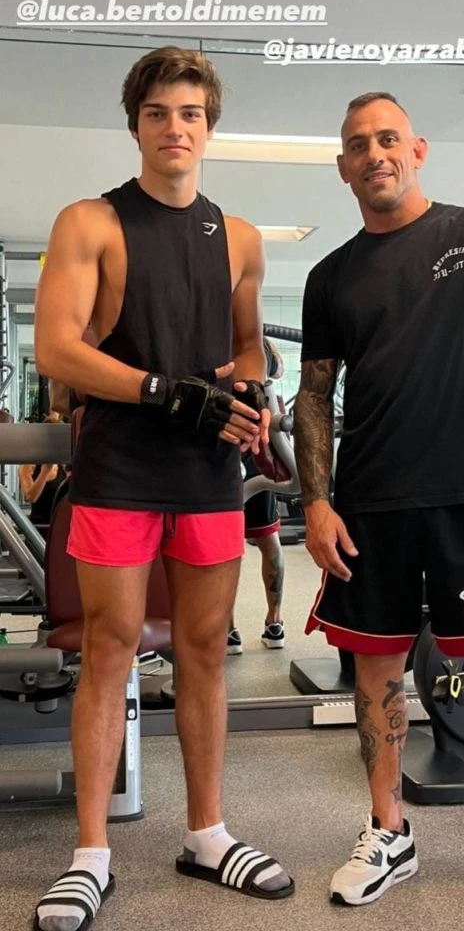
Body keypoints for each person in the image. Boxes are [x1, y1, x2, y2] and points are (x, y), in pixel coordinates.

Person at [293, 89, 464, 924]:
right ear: (343, 167)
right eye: (358, 144)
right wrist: (316, 501)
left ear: (417, 150)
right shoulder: (329, 276)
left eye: (388, 138)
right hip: (370, 504)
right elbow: (314, 395)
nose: (374, 153)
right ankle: (388, 830)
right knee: (375, 670)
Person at [33, 46, 294, 931]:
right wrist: (165, 391)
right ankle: (90, 855)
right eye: (157, 114)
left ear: (209, 127)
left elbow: (250, 343)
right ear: (136, 126)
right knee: (110, 648)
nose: (174, 128)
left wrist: (250, 384)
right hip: (119, 473)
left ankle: (207, 834)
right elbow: (57, 348)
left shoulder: (242, 238)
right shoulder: (91, 222)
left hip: (209, 478)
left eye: (190, 114)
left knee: (206, 651)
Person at [228, 338, 286, 653]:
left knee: (241, 542)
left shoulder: (248, 341)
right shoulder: (254, 345)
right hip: (241, 449)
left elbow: (277, 368)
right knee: (258, 540)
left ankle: (232, 629)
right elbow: (276, 369)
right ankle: (271, 624)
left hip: (248, 449)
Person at [19, 412, 67, 538]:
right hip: (37, 530)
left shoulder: (61, 465)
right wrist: (44, 473)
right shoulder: (29, 465)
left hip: (57, 528)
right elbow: (30, 497)